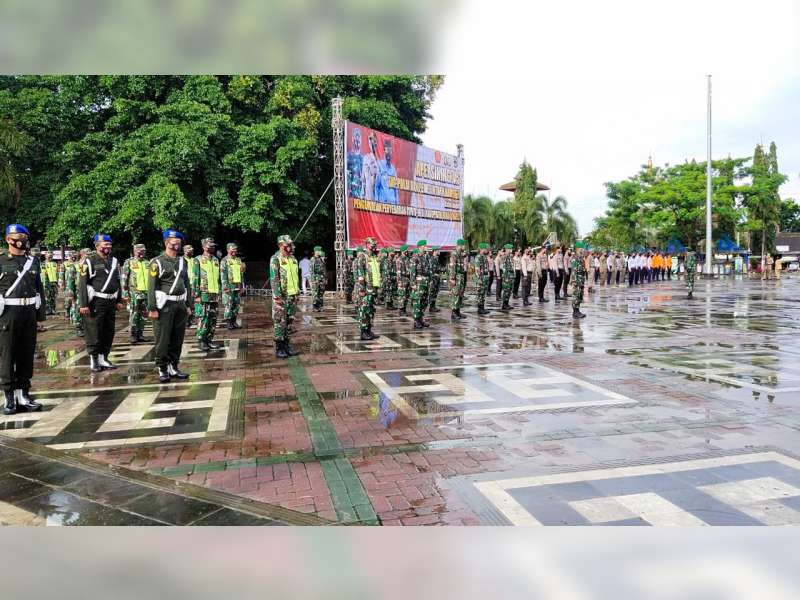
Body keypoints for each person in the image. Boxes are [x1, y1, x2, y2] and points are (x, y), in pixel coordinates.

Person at [0, 224, 45, 415]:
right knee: (8, 355)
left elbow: (39, 288)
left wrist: (40, 316)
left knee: (26, 354)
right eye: (19, 236)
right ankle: (9, 396)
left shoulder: (33, 261)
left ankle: (23, 394)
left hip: (28, 312)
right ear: (8, 239)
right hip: (8, 312)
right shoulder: (1, 260)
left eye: (25, 236)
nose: (23, 239)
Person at [147, 229, 191, 382]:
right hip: (164, 305)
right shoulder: (157, 262)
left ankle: (174, 366)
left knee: (177, 338)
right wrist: (152, 308)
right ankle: (162, 368)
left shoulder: (182, 261)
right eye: (173, 242)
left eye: (178, 242)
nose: (176, 244)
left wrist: (188, 304)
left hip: (179, 304)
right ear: (166, 243)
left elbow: (187, 284)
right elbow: (151, 286)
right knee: (163, 338)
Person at [79, 233, 123, 372]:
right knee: (94, 330)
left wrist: (118, 300)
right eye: (105, 245)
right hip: (96, 302)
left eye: (110, 245)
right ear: (97, 245)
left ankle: (104, 357)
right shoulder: (88, 261)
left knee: (108, 330)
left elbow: (118, 281)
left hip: (110, 301)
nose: (108, 247)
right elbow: (82, 284)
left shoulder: (114, 261)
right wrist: (84, 304)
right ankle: (94, 359)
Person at [269, 235, 300, 359]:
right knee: (279, 322)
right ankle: (279, 347)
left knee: (289, 322)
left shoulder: (293, 258)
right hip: (281, 296)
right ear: (280, 245)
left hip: (292, 295)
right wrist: (276, 295)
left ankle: (287, 345)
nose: (289, 246)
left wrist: (297, 293)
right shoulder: (275, 258)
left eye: (290, 244)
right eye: (287, 244)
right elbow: (274, 278)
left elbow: (296, 276)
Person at [196, 238, 223, 352]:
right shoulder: (198, 260)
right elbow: (195, 278)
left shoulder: (216, 260)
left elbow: (219, 278)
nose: (211, 247)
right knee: (204, 318)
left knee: (212, 318)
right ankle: (202, 340)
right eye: (209, 246)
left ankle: (209, 339)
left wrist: (220, 291)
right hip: (204, 293)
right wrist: (197, 294)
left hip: (214, 294)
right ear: (203, 247)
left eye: (213, 245)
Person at [121, 244, 150, 344]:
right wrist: (125, 294)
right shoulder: (129, 262)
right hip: (134, 293)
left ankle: (140, 333)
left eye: (143, 251)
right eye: (140, 251)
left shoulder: (147, 262)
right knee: (134, 314)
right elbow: (124, 278)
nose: (142, 253)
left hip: (146, 293)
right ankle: (133, 334)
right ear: (135, 251)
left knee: (144, 315)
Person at [355, 237, 381, 339]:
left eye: (375, 244)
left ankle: (369, 330)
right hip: (366, 288)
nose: (374, 246)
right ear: (367, 245)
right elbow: (360, 275)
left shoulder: (374, 257)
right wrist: (362, 289)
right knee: (364, 310)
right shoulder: (363, 256)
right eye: (372, 244)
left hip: (373, 288)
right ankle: (363, 332)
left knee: (371, 310)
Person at [220, 242, 245, 329]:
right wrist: (225, 287)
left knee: (236, 305)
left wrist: (242, 285)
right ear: (228, 250)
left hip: (237, 286)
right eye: (232, 249)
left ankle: (234, 322)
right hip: (229, 287)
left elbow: (241, 274)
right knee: (229, 305)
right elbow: (223, 275)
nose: (234, 251)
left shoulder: (238, 260)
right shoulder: (224, 261)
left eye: (235, 249)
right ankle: (228, 323)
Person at [409, 241, 431, 329]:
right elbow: (412, 271)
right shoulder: (415, 257)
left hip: (425, 282)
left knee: (424, 301)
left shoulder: (424, 257)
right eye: (424, 246)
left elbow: (427, 271)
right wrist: (413, 283)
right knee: (417, 301)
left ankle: (421, 319)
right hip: (418, 283)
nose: (426, 247)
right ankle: (416, 320)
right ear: (419, 247)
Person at [60, 249, 80, 333]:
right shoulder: (64, 264)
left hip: (74, 285)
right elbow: (61, 274)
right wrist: (61, 284)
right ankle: (68, 312)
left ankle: (73, 317)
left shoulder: (78, 264)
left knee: (74, 302)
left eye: (75, 255)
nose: (74, 257)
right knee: (68, 301)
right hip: (68, 285)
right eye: (72, 255)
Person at [448, 238, 468, 321]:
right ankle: (453, 313)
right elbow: (452, 266)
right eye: (463, 245)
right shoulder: (454, 253)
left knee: (460, 294)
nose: (464, 247)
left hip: (461, 276)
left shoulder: (460, 254)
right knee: (455, 294)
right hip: (456, 276)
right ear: (460, 245)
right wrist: (452, 278)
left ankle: (458, 311)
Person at [375, 139, 399, 205]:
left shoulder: (393, 169)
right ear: (384, 151)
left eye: (390, 150)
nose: (388, 152)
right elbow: (376, 186)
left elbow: (396, 189)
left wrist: (397, 204)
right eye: (387, 150)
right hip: (382, 203)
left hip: (392, 203)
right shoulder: (379, 164)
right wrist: (376, 201)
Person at [184, 244, 199, 328]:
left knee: (193, 302)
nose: (191, 251)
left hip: (194, 284)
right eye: (190, 250)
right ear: (185, 251)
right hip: (185, 284)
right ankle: (186, 319)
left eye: (192, 250)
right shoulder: (181, 260)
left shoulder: (195, 260)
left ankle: (192, 318)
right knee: (186, 302)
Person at [40, 250, 59, 315]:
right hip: (46, 282)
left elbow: (57, 273)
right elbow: (42, 274)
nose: (50, 257)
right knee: (47, 297)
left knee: (53, 296)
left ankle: (53, 309)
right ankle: (47, 310)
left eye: (51, 256)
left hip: (54, 282)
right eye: (49, 256)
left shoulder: (55, 264)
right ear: (45, 256)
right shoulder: (42, 264)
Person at [475, 242, 491, 315]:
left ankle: (482, 307)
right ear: (481, 249)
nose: (487, 250)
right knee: (480, 293)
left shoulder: (484, 257)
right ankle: (480, 309)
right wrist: (479, 279)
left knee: (483, 293)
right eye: (485, 249)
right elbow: (477, 269)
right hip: (481, 278)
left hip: (484, 277)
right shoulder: (478, 257)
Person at [572, 246, 587, 319]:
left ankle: (578, 310)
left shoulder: (581, 259)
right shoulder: (575, 259)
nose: (582, 251)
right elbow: (574, 271)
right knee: (576, 296)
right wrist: (574, 281)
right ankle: (575, 312)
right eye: (581, 250)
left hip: (581, 280)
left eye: (582, 250)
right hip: (577, 280)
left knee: (580, 295)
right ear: (577, 251)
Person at [395, 245, 411, 316]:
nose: (407, 251)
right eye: (406, 250)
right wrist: (399, 281)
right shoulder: (399, 259)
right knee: (402, 295)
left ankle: (404, 309)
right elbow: (398, 272)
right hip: (402, 279)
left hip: (407, 279)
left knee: (406, 295)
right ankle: (401, 310)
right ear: (403, 251)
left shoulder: (407, 259)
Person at [309, 246, 326, 311]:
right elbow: (312, 271)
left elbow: (323, 270)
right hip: (316, 279)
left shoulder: (321, 259)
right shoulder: (313, 259)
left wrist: (324, 278)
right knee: (315, 293)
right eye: (319, 251)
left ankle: (320, 306)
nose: (320, 252)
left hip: (321, 279)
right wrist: (313, 280)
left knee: (321, 293)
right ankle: (315, 307)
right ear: (316, 251)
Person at [427, 247, 442, 313]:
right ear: (435, 251)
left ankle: (433, 306)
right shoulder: (432, 259)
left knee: (435, 293)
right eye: (438, 250)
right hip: (433, 279)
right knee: (432, 293)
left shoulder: (436, 259)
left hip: (437, 279)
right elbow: (430, 270)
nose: (439, 252)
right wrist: (432, 278)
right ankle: (431, 307)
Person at [500, 243, 515, 311]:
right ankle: (504, 304)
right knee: (506, 290)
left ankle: (507, 303)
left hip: (510, 276)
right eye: (510, 248)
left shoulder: (510, 256)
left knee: (509, 290)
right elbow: (503, 266)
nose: (511, 250)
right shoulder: (505, 256)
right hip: (506, 276)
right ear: (507, 249)